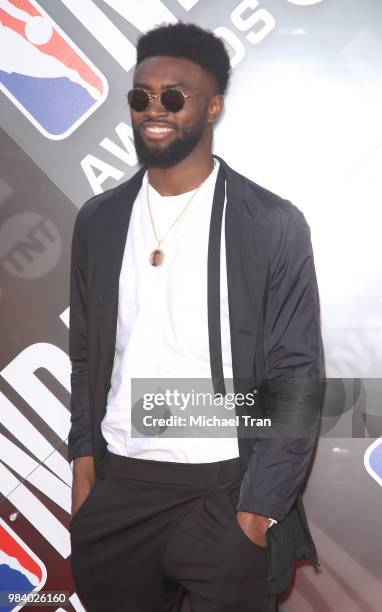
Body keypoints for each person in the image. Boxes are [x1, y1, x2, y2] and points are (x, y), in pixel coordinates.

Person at [68, 22, 325, 612]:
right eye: (142, 96)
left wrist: (256, 513)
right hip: (117, 490)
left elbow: (295, 379)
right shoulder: (100, 221)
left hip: (223, 496)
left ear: (213, 106)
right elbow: (85, 355)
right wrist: (85, 471)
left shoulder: (270, 223)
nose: (154, 109)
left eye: (174, 96)